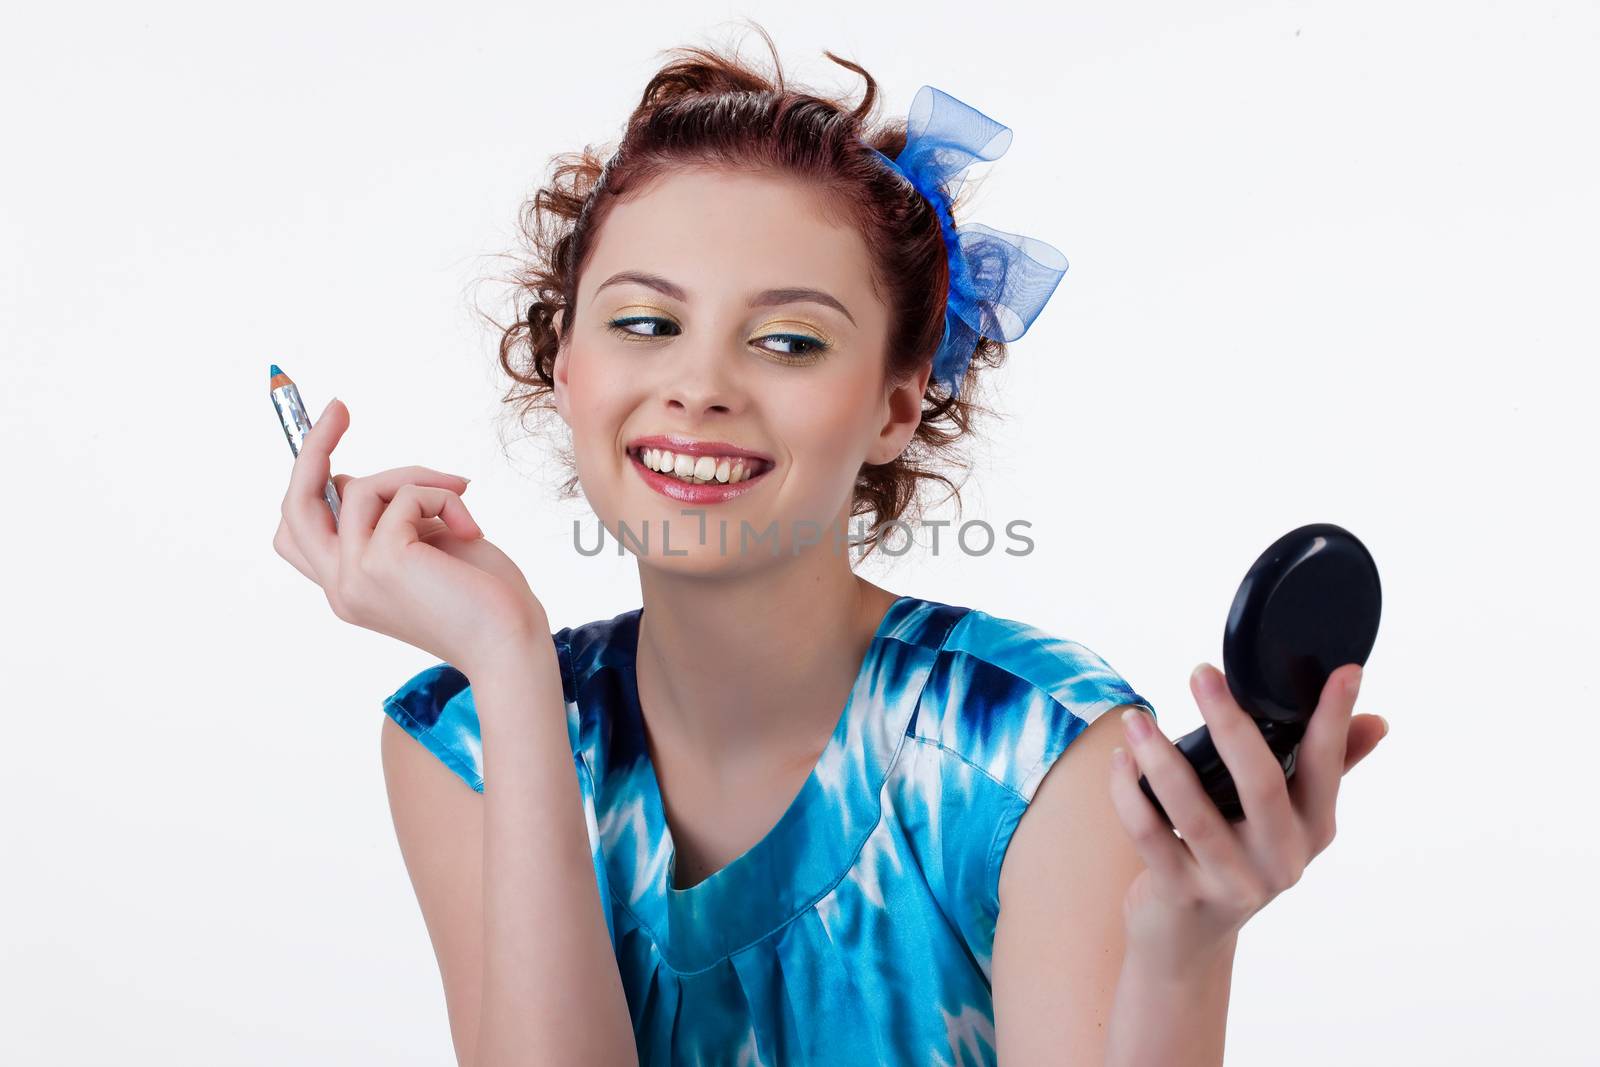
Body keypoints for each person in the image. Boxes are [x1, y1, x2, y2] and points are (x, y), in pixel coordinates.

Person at [272, 24, 1388, 1067]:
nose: (700, 385)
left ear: (897, 404)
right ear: (566, 366)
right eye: (645, 322)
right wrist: (506, 658)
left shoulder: (1030, 753)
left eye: (788, 340)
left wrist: (1182, 947)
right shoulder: (463, 742)